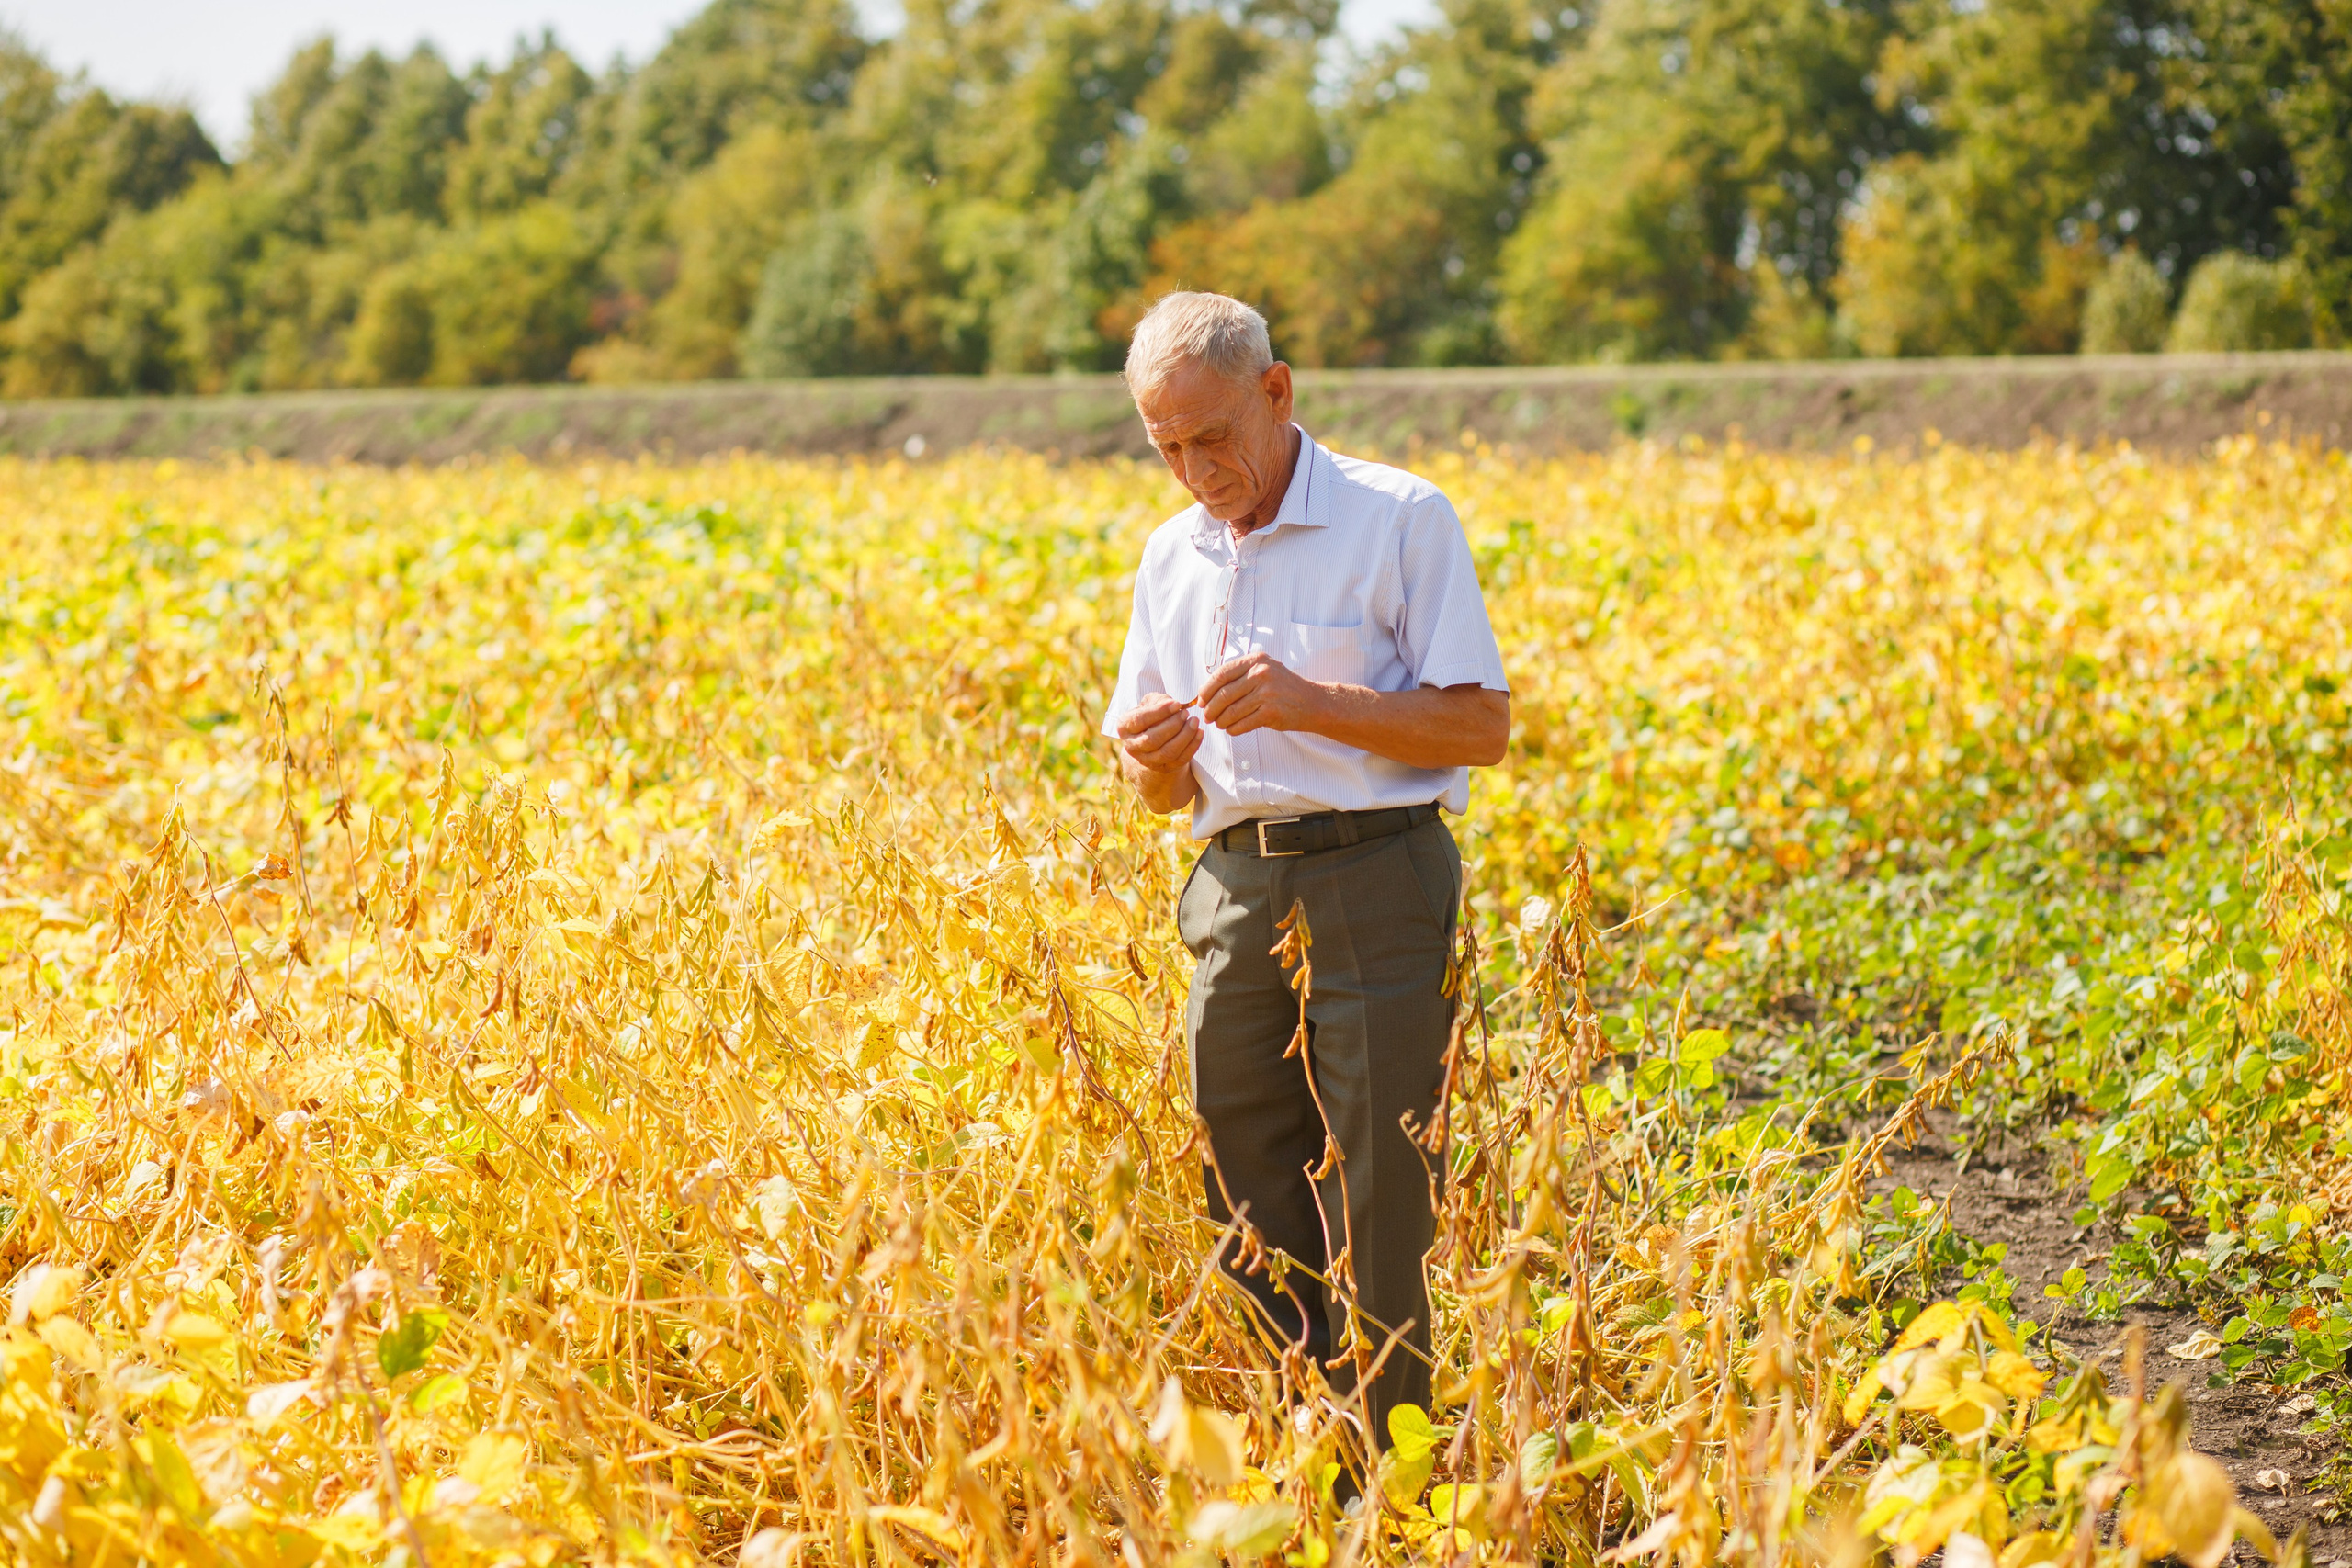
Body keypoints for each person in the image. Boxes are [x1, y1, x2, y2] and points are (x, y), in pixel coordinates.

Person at [1101, 291, 1510, 1449]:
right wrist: (1153, 761)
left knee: (1379, 1186)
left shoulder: (1398, 517)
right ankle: (1309, 1440)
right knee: (1244, 1179)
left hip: (1376, 878)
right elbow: (1159, 791)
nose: (1192, 467)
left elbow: (1479, 728)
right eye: (1164, 445)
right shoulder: (1166, 556)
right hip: (1231, 887)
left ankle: (1398, 1464)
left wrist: (1305, 702)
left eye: (1211, 435)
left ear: (1276, 392)